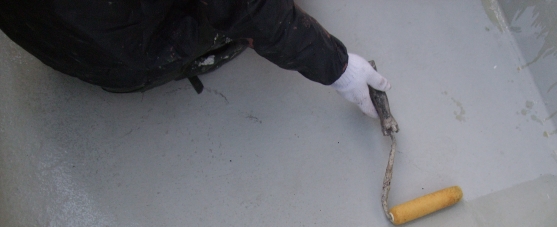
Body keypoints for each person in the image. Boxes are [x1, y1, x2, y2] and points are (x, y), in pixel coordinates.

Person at [0, 0, 390, 118]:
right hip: (127, 61)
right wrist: (338, 68)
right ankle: (191, 58)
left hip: (49, 39)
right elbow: (249, 7)